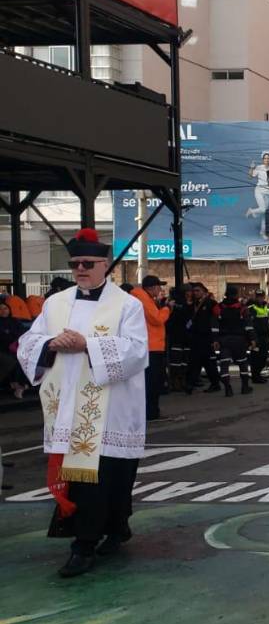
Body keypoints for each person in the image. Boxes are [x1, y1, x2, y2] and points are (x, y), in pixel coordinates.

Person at [17, 228, 149, 577]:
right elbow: (29, 342)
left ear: (105, 264)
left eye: (87, 263)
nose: (80, 270)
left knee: (114, 475)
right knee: (87, 481)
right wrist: (49, 343)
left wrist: (87, 346)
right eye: (75, 264)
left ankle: (116, 527)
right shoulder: (54, 303)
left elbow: (137, 351)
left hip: (114, 409)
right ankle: (84, 544)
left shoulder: (127, 304)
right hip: (69, 408)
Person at [130, 275, 170, 421]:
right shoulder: (143, 299)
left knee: (150, 381)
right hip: (151, 346)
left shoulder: (142, 298)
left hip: (149, 345)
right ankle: (151, 413)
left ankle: (150, 411)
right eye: (159, 287)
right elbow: (157, 319)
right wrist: (166, 309)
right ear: (152, 287)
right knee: (152, 382)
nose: (160, 290)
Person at [213, 286, 255, 397]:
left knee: (224, 364)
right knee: (242, 363)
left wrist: (215, 340)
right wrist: (252, 339)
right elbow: (248, 326)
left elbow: (214, 326)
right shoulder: (242, 308)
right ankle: (245, 387)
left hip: (224, 340)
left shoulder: (218, 307)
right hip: (239, 341)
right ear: (236, 295)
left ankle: (228, 388)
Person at [186, 283, 222, 394]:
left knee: (209, 362)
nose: (195, 293)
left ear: (204, 291)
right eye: (194, 291)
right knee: (194, 361)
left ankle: (215, 384)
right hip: (196, 338)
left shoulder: (211, 304)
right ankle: (190, 384)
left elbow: (216, 321)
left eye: (198, 290)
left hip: (207, 338)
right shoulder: (193, 304)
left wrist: (215, 339)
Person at [0, 301, 29, 400]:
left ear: (9, 310)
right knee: (13, 360)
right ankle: (18, 385)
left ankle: (18, 385)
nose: (3, 311)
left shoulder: (15, 321)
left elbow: (22, 334)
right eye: (1, 309)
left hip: (16, 348)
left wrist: (12, 337)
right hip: (3, 350)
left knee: (23, 358)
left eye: (5, 308)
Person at [246, 152, 269, 234]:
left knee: (265, 213)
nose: (267, 160)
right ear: (263, 160)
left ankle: (263, 232)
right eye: (265, 158)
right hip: (259, 191)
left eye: (268, 158)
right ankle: (252, 211)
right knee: (263, 209)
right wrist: (251, 168)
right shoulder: (259, 167)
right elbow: (250, 177)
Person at [248, 290, 269, 383]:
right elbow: (250, 324)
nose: (260, 298)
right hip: (256, 337)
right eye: (258, 296)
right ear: (255, 297)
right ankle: (255, 377)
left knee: (263, 357)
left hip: (264, 336)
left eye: (261, 296)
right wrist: (252, 338)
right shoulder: (251, 307)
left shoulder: (264, 306)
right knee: (256, 357)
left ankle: (257, 374)